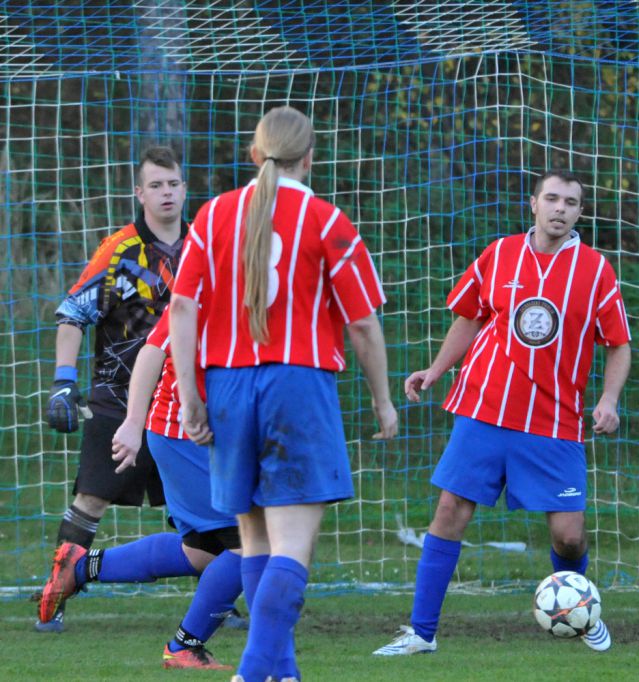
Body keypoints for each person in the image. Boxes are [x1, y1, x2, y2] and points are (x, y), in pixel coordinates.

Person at [169, 105, 397, 682]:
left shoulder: (214, 214)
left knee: (255, 540)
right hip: (297, 383)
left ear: (255, 153)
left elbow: (182, 307)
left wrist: (191, 395)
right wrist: (383, 400)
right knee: (292, 545)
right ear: (310, 157)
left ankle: (283, 672)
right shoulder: (325, 219)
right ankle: (252, 674)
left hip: (226, 383)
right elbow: (362, 324)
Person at [373, 170, 631, 656]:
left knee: (568, 537)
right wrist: (435, 370)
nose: (559, 208)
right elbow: (469, 317)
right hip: (485, 407)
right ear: (534, 204)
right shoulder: (499, 253)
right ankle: (421, 633)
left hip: (554, 420)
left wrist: (609, 399)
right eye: (551, 198)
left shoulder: (596, 270)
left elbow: (619, 344)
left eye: (570, 202)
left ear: (580, 212)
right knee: (449, 511)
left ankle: (579, 610)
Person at [35, 146, 188, 633]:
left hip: (182, 403)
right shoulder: (119, 250)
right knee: (91, 500)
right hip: (117, 400)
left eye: (173, 183)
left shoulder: (202, 247)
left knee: (198, 507)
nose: (166, 193)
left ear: (184, 188)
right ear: (139, 193)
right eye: (156, 185)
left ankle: (220, 602)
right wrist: (64, 381)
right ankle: (56, 595)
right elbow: (72, 314)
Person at [38, 308, 242, 670]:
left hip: (211, 435)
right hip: (184, 433)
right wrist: (133, 423)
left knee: (202, 553)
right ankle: (185, 647)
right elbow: (152, 350)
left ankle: (80, 566)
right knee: (252, 544)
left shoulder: (260, 287)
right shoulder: (205, 282)